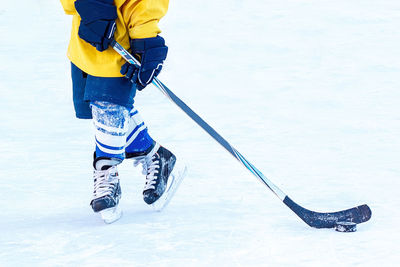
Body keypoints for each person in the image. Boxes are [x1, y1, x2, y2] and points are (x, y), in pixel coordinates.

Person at [60, 0, 186, 223]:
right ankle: (155, 155)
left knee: (108, 106)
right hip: (86, 38)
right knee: (98, 112)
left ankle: (106, 170)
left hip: (121, 42)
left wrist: (146, 39)